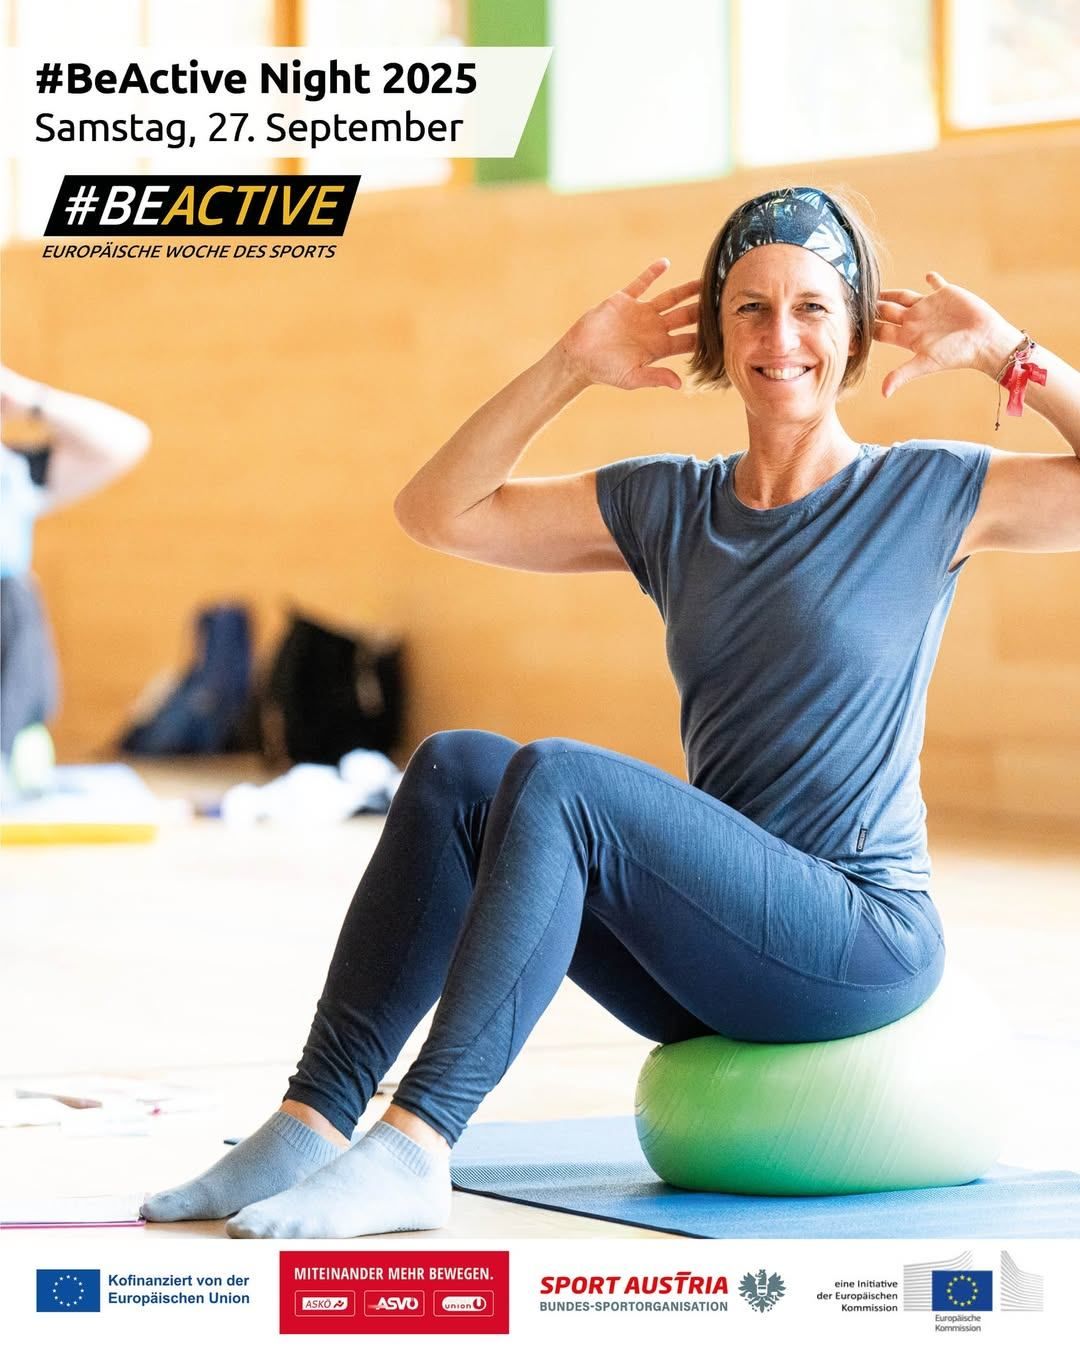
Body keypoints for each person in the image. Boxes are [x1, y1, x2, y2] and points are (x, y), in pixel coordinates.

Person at [141, 185, 1080, 1239]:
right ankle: (312, 1119)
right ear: (719, 335)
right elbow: (436, 512)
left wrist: (1013, 357)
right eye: (751, 308)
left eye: (814, 307)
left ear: (854, 328)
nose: (783, 336)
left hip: (857, 943)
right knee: (455, 769)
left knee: (565, 780)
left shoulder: (928, 494)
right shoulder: (671, 504)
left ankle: (417, 1142)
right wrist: (568, 368)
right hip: (709, 958)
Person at [0, 367, 150, 782]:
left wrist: (28, 399)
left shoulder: (13, 477)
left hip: (12, 696)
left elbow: (125, 441)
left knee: (14, 591)